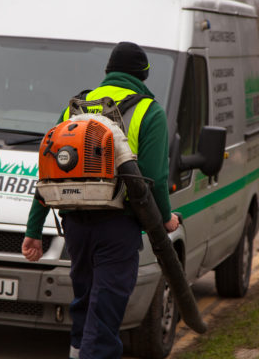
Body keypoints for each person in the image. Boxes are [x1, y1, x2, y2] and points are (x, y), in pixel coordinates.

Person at [22, 41, 178, 359]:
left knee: (85, 304)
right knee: (105, 317)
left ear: (108, 71)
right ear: (143, 75)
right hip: (117, 229)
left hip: (75, 225)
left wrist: (33, 230)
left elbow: (49, 171)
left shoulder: (75, 107)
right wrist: (166, 219)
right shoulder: (150, 111)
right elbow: (155, 179)